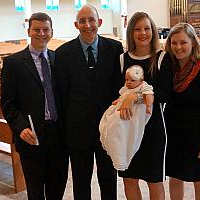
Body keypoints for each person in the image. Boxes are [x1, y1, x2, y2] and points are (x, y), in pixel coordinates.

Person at [54, 4, 123, 200]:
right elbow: (61, 95)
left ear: (99, 22)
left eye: (91, 20)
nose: (87, 25)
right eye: (82, 21)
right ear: (76, 25)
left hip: (107, 128)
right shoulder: (63, 53)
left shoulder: (114, 49)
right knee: (81, 180)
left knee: (108, 178)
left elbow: (118, 88)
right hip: (77, 130)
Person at [0, 12, 68, 200]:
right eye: (36, 29)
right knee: (35, 190)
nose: (41, 33)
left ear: (52, 32)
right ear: (29, 31)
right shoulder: (13, 63)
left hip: (59, 136)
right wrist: (20, 127)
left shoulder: (59, 59)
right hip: (32, 136)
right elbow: (7, 103)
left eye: (46, 29)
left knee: (57, 187)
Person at [117, 12, 172, 200]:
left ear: (153, 31)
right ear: (131, 33)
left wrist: (137, 97)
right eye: (138, 29)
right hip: (127, 127)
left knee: (154, 181)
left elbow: (166, 94)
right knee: (129, 179)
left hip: (153, 128)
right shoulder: (123, 59)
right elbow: (117, 93)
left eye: (147, 28)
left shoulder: (162, 57)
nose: (143, 33)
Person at [164, 22, 200, 200]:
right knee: (175, 178)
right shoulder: (169, 69)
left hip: (199, 135)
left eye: (183, 42)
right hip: (174, 134)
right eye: (174, 43)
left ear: (192, 43)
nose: (178, 47)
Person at [99, 65, 154, 171]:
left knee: (121, 131)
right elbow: (121, 97)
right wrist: (118, 101)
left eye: (132, 80)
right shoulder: (127, 88)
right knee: (110, 125)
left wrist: (148, 106)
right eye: (127, 80)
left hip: (134, 115)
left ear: (141, 80)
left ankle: (120, 157)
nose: (128, 82)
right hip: (121, 110)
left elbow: (149, 95)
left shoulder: (144, 86)